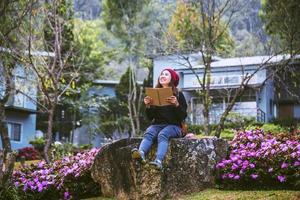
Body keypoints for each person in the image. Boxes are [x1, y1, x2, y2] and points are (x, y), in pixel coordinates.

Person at [131, 68, 187, 170]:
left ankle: (158, 161)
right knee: (149, 132)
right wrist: (148, 106)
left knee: (163, 134)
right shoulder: (154, 93)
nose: (162, 76)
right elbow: (150, 117)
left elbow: (183, 116)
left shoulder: (178, 94)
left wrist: (177, 104)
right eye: (161, 74)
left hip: (174, 126)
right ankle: (141, 153)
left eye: (166, 74)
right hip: (157, 125)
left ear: (172, 79)